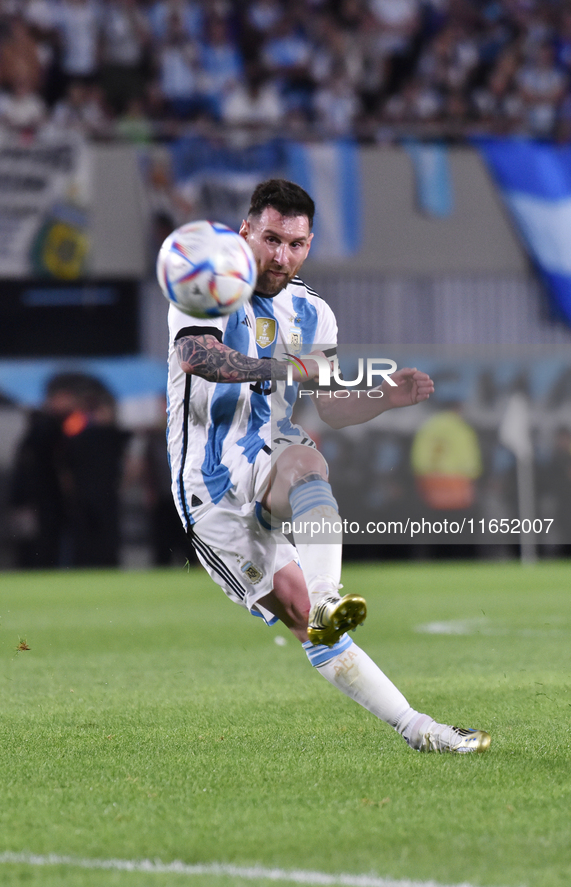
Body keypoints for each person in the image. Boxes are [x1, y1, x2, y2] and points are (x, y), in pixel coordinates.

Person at [166, 178, 490, 754]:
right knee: (301, 624)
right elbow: (198, 357)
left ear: (309, 244)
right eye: (271, 239)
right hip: (209, 488)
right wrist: (286, 368)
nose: (281, 256)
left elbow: (334, 407)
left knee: (305, 458)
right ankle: (323, 612)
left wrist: (383, 396)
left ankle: (421, 729)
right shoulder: (211, 281)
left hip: (273, 461)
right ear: (247, 232)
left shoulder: (314, 314)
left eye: (295, 244)